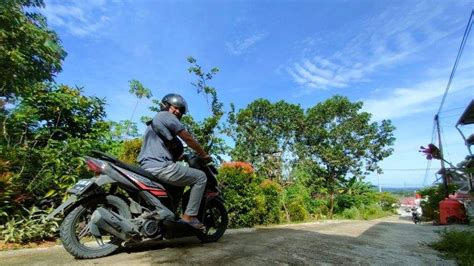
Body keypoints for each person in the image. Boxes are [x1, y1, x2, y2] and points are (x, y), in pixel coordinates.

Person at [137, 93, 210, 229]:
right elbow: (187, 138)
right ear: (166, 106)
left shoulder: (156, 123)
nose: (177, 111)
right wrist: (203, 154)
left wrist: (183, 156)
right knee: (200, 177)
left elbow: (170, 150)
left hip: (147, 166)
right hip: (159, 166)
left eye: (180, 110)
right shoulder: (165, 116)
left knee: (178, 185)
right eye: (174, 107)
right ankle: (189, 217)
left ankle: (168, 218)